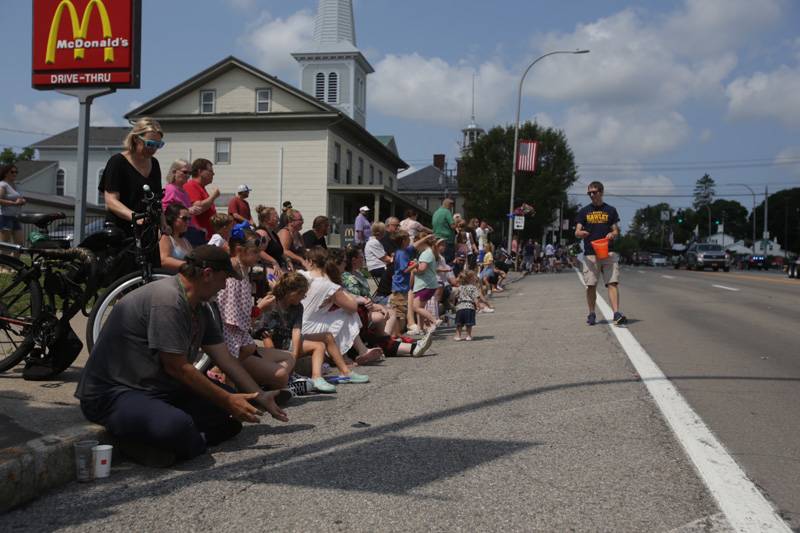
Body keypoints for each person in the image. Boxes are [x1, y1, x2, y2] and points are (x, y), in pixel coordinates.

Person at [75, 245, 288, 466]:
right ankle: (158, 444)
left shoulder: (201, 307)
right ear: (207, 275)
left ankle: (182, 444)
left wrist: (257, 395)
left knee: (227, 419)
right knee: (179, 426)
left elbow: (225, 358)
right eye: (224, 279)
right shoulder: (167, 300)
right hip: (115, 393)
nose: (224, 286)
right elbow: (177, 368)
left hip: (158, 387)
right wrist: (228, 399)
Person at [216, 232, 294, 389]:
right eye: (255, 252)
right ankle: (224, 375)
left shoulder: (242, 271)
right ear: (239, 250)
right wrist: (259, 309)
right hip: (231, 344)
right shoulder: (232, 276)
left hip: (241, 341)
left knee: (289, 358)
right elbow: (232, 321)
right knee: (280, 374)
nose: (259, 256)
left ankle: (255, 387)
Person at [298, 247, 374, 391]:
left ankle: (346, 367)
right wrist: (340, 297)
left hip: (298, 323)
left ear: (310, 262)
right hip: (307, 327)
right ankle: (347, 364)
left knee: (332, 330)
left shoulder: (301, 274)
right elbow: (352, 307)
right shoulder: (330, 286)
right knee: (348, 313)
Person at [99, 118, 164, 236]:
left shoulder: (154, 163)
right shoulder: (117, 162)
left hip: (146, 230)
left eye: (158, 145)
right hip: (120, 230)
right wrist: (134, 217)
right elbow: (111, 200)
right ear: (136, 139)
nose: (153, 149)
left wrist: (163, 223)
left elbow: (157, 200)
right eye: (150, 144)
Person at [575, 180, 626, 326]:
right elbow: (577, 231)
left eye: (594, 192)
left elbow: (615, 230)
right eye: (589, 193)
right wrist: (580, 233)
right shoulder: (584, 211)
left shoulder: (610, 210)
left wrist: (612, 234)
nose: (591, 195)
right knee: (591, 285)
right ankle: (591, 313)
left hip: (608, 252)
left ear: (601, 192)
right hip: (591, 253)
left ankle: (616, 313)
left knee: (612, 283)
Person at [184, 158, 220, 240]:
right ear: (200, 171)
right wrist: (213, 196)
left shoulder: (201, 188)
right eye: (210, 171)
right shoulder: (191, 185)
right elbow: (198, 208)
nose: (213, 174)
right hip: (198, 237)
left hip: (206, 236)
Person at [411, 232, 440, 332]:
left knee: (416, 307)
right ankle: (420, 328)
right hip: (428, 284)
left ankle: (434, 320)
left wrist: (412, 269)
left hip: (425, 285)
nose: (416, 246)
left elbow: (422, 269)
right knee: (420, 308)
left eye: (417, 243)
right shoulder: (429, 252)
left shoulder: (425, 253)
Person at [159, 204, 193, 272]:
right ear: (172, 219)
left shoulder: (185, 241)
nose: (188, 222)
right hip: (171, 278)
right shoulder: (166, 237)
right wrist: (189, 266)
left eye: (189, 219)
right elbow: (164, 260)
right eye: (184, 219)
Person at [0, 164, 26, 248]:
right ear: (5, 173)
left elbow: (20, 198)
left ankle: (13, 261)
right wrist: (15, 203)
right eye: (12, 172)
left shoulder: (14, 185)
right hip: (5, 217)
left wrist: (23, 201)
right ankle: (4, 261)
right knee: (5, 245)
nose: (15, 174)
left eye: (16, 172)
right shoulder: (3, 185)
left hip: (15, 217)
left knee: (19, 245)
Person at [254, 205, 285, 273]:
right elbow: (258, 251)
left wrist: (287, 260)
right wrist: (273, 261)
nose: (278, 218)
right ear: (267, 220)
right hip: (264, 268)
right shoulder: (262, 233)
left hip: (276, 268)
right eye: (275, 216)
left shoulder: (273, 233)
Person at [453, 270, 481, 341]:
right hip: (469, 307)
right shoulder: (473, 287)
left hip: (460, 307)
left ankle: (458, 336)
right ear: (470, 279)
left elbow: (455, 296)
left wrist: (454, 305)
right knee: (469, 323)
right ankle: (468, 336)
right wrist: (478, 306)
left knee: (459, 323)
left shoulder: (459, 287)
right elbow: (475, 298)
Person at [432, 198, 456, 263]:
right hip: (447, 240)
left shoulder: (436, 212)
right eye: (452, 205)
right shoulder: (447, 212)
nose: (452, 207)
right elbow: (452, 226)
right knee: (448, 261)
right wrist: (458, 223)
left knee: (439, 260)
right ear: (449, 205)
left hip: (436, 239)